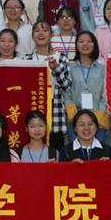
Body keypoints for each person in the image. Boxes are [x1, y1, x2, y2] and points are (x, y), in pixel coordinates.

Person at [24, 20, 72, 149]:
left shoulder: (61, 57)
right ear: (33, 36)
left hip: (55, 112)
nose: (41, 33)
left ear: (51, 35)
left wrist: (55, 68)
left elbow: (67, 85)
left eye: (45, 30)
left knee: (55, 153)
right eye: (37, 31)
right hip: (33, 111)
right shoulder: (27, 60)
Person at [67, 31, 108, 142]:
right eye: (81, 41)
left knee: (98, 149)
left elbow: (105, 94)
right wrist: (73, 115)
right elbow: (67, 93)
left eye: (89, 41)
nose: (85, 44)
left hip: (97, 113)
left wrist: (99, 115)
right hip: (75, 113)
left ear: (94, 45)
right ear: (76, 45)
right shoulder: (70, 68)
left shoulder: (102, 69)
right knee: (75, 149)